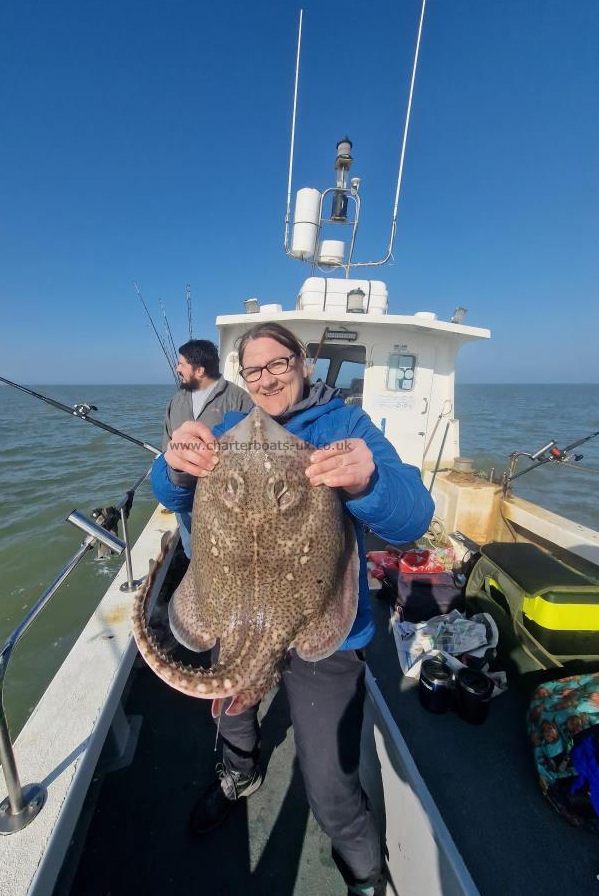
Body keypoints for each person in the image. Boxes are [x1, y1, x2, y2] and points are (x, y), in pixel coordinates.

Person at [150, 322, 434, 896]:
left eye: (277, 364)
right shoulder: (225, 426)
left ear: (301, 362)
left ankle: (363, 873)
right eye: (252, 370)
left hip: (321, 624)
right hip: (235, 613)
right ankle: (238, 773)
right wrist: (176, 464)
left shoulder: (347, 427)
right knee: (231, 713)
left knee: (329, 782)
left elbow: (413, 516)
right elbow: (173, 489)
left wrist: (369, 480)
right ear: (241, 377)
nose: (266, 379)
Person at [162, 339, 251, 558]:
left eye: (181, 364)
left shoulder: (239, 399)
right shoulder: (175, 401)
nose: (177, 369)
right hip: (186, 503)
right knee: (194, 554)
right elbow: (166, 448)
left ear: (199, 370)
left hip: (226, 507)